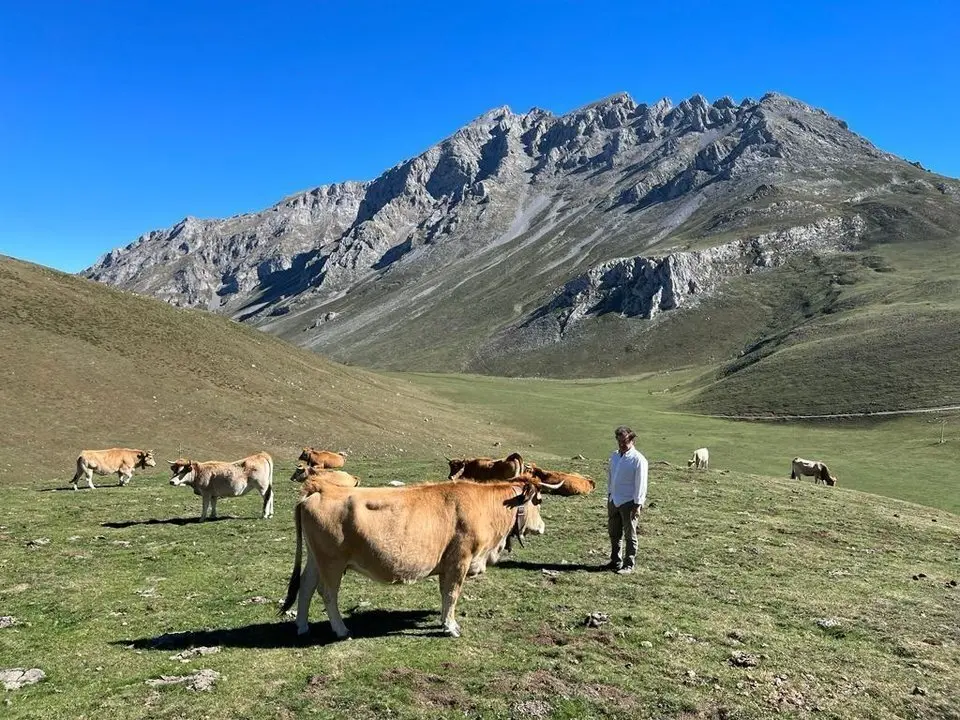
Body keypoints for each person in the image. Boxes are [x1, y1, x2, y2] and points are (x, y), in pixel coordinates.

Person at [606, 425, 648, 574]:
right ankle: (615, 561)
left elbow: (641, 483)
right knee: (614, 532)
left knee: (630, 535)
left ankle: (629, 564)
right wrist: (610, 495)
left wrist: (638, 504)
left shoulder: (638, 460)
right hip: (614, 500)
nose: (622, 445)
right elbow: (611, 476)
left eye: (624, 442)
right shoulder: (615, 456)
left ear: (632, 441)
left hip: (629, 502)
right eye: (619, 442)